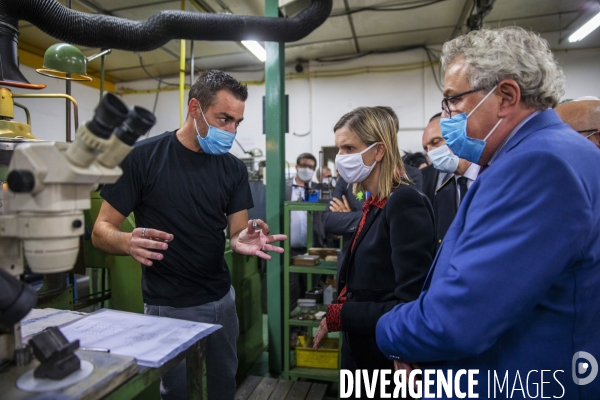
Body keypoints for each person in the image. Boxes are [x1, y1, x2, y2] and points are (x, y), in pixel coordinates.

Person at [376, 27, 600, 398]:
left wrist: (389, 331)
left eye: (453, 101)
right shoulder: (561, 153)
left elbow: (457, 320)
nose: (447, 117)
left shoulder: (538, 164)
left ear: (506, 96)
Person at [92, 70, 286, 400]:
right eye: (224, 119)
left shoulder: (233, 169)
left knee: (223, 383)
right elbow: (100, 230)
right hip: (166, 306)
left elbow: (237, 232)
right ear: (194, 108)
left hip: (220, 302)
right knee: (178, 391)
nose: (231, 131)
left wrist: (244, 238)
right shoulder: (141, 158)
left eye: (237, 122)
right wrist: (126, 241)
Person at [313, 107, 436, 398]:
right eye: (339, 148)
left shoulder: (403, 201)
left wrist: (341, 315)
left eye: (349, 148)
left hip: (386, 357)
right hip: (362, 350)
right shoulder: (375, 203)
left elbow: (411, 303)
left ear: (378, 150)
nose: (341, 157)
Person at [421, 113, 479, 248]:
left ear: (457, 135)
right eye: (426, 149)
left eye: (435, 142)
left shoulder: (489, 176)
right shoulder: (442, 193)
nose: (431, 152)